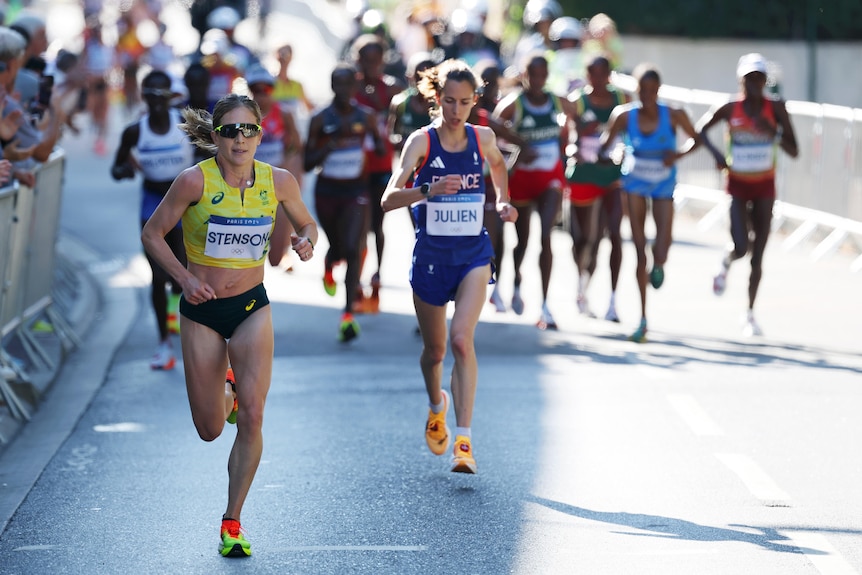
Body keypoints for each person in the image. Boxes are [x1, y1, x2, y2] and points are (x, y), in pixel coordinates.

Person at [140, 93, 318, 557]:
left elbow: (308, 224)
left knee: (255, 416)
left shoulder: (279, 182)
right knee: (210, 430)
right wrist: (183, 279)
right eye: (229, 131)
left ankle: (232, 521)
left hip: (250, 307)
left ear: (261, 134)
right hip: (202, 308)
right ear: (215, 136)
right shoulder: (192, 182)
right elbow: (152, 234)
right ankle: (228, 389)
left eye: (249, 130)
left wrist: (305, 240)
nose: (240, 139)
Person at [381, 59, 517, 474]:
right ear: (435, 99)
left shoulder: (483, 137)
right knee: (435, 350)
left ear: (475, 101)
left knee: (462, 341)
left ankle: (464, 442)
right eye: (449, 102)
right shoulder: (421, 143)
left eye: (464, 102)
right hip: (432, 259)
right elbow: (389, 197)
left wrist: (502, 199)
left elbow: (497, 164)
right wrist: (427, 189)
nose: (456, 111)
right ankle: (436, 403)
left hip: (473, 254)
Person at [697, 52, 798, 336]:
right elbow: (700, 130)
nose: (754, 83)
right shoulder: (730, 108)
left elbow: (794, 150)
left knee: (758, 255)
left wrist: (773, 132)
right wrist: (718, 155)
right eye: (749, 78)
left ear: (766, 80)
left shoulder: (776, 108)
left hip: (765, 186)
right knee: (741, 246)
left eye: (759, 77)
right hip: (738, 186)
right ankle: (726, 262)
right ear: (741, 80)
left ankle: (750, 313)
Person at [599, 64, 699, 342]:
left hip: (664, 185)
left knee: (662, 246)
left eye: (653, 90)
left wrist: (676, 156)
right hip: (635, 185)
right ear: (636, 90)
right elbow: (605, 144)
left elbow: (697, 140)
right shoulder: (623, 116)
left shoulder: (674, 114)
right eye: (643, 90)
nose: (648, 95)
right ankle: (643, 319)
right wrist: (613, 153)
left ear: (659, 90)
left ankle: (660, 262)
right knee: (640, 249)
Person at [111, 70, 194, 368]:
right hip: (152, 203)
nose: (157, 101)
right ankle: (163, 345)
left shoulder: (184, 125)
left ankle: (189, 328)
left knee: (182, 270)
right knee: (158, 275)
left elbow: (210, 153)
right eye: (151, 95)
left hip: (185, 203)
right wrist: (124, 170)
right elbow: (116, 167)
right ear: (143, 97)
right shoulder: (135, 131)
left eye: (162, 94)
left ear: (171, 96)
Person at [493, 51, 573, 330]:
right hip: (523, 181)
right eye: (532, 75)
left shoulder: (558, 102)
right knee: (523, 240)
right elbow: (492, 135)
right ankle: (515, 279)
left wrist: (572, 140)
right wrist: (517, 151)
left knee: (546, 237)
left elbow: (580, 122)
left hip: (550, 179)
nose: (538, 80)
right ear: (524, 76)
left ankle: (546, 306)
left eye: (543, 75)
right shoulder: (513, 105)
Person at [304, 63, 383, 342]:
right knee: (337, 247)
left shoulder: (367, 116)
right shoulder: (319, 118)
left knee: (352, 248)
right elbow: (306, 162)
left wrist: (376, 138)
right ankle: (328, 265)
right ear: (332, 86)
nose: (344, 90)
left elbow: (382, 148)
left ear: (355, 86)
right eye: (338, 84)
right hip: (327, 192)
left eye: (349, 84)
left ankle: (348, 314)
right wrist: (331, 143)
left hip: (355, 192)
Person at [565, 54, 628, 321]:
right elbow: (567, 136)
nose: (599, 79)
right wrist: (572, 150)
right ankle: (582, 280)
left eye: (603, 74)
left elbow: (629, 133)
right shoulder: (577, 101)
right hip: (583, 174)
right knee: (582, 240)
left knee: (613, 234)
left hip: (611, 175)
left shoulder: (622, 99)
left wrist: (626, 152)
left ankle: (613, 302)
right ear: (588, 75)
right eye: (594, 74)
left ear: (609, 75)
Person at [351, 34, 406, 308]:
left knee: (377, 226)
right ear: (358, 60)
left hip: (382, 166)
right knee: (360, 225)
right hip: (357, 167)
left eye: (376, 60)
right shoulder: (351, 88)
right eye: (366, 60)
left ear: (383, 60)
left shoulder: (393, 89)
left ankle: (378, 274)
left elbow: (401, 127)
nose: (372, 65)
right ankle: (357, 280)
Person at [245, 64, 303, 270]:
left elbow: (296, 147)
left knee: (275, 258)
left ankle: (283, 246)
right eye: (256, 90)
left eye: (266, 90)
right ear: (250, 91)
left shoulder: (283, 113)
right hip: (248, 186)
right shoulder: (241, 116)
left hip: (275, 184)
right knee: (247, 254)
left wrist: (291, 181)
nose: (262, 96)